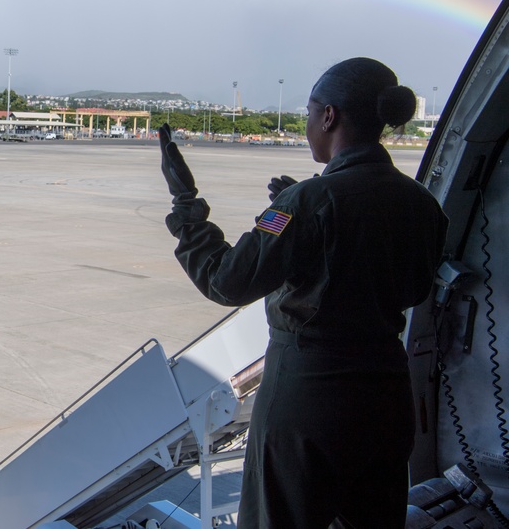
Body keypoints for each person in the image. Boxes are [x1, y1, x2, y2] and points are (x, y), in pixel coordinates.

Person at [158, 57, 447, 528]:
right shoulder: (422, 203)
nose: (309, 123)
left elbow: (226, 280)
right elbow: (412, 286)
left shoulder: (305, 203)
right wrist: (306, 212)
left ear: (329, 116)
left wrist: (186, 204)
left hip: (311, 397)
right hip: (385, 395)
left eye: (311, 112)